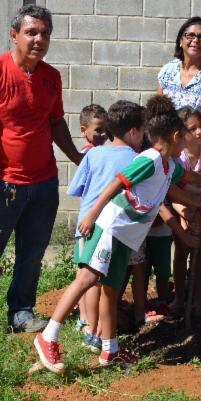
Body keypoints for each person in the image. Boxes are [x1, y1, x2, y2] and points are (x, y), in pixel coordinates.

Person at [34, 96, 201, 374]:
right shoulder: (149, 159)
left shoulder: (168, 166)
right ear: (176, 136)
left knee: (111, 291)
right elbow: (117, 182)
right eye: (186, 138)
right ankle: (48, 337)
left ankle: (110, 350)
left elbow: (180, 185)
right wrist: (91, 215)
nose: (189, 142)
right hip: (110, 228)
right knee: (88, 278)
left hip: (127, 237)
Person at [0, 4, 84, 341]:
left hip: (43, 182)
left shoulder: (51, 77)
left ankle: (21, 313)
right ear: (14, 35)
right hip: (2, 183)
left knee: (32, 253)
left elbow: (55, 122)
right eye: (31, 32)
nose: (39, 39)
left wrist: (80, 158)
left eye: (45, 33)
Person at [66, 100, 146, 352]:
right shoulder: (139, 160)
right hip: (116, 227)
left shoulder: (92, 154)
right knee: (105, 281)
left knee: (88, 277)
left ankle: (89, 328)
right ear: (134, 131)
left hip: (88, 224)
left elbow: (77, 189)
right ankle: (98, 330)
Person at [170, 107, 201, 318]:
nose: (199, 132)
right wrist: (185, 213)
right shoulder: (179, 156)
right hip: (182, 208)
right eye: (192, 128)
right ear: (181, 133)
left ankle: (197, 299)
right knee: (181, 253)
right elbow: (175, 189)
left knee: (199, 254)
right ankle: (179, 297)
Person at [157, 17, 201, 139]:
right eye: (190, 36)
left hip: (199, 147)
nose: (195, 40)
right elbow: (158, 106)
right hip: (172, 145)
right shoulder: (167, 70)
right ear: (180, 41)